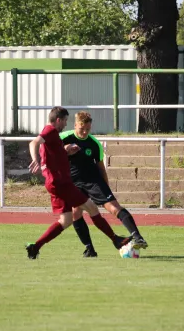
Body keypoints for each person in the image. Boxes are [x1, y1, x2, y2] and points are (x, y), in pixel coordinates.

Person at [25, 106, 129, 259]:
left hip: (53, 183)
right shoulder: (51, 131)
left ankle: (35, 247)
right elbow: (34, 143)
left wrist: (66, 151)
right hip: (62, 183)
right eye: (65, 120)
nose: (66, 124)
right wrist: (35, 159)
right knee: (92, 208)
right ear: (58, 120)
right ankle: (116, 240)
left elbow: (53, 154)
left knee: (65, 220)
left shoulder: (53, 138)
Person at [61, 111, 148, 258]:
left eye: (87, 129)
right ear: (75, 125)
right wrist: (64, 150)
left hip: (94, 181)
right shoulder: (63, 138)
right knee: (76, 213)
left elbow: (101, 167)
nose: (84, 132)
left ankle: (137, 236)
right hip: (74, 183)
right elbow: (48, 151)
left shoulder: (94, 144)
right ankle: (90, 249)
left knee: (113, 207)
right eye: (81, 129)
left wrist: (106, 186)